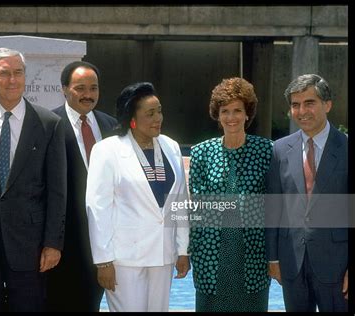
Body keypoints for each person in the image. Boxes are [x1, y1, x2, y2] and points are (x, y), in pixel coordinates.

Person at [0, 47, 67, 312]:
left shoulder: (49, 123)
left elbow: (58, 191)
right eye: (4, 73)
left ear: (25, 77)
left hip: (30, 246)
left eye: (18, 73)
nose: (12, 80)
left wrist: (53, 243)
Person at [86, 82, 190, 312]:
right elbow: (97, 208)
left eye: (160, 111)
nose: (158, 118)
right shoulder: (107, 150)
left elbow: (180, 202)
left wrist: (183, 249)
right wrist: (103, 261)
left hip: (163, 254)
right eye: (150, 113)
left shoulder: (171, 146)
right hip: (124, 258)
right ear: (131, 117)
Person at [188, 77, 273, 312]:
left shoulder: (266, 151)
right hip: (210, 254)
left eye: (238, 110)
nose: (231, 117)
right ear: (217, 114)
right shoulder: (202, 153)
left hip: (253, 256)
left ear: (248, 114)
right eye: (225, 111)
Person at [265, 74, 348, 312]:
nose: (302, 111)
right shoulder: (280, 149)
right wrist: (273, 258)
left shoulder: (346, 149)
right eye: (295, 105)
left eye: (309, 103)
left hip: (337, 265)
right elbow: (274, 206)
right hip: (292, 264)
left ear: (327, 104)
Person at [45, 61, 117, 312]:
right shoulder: (47, 124)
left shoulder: (111, 126)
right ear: (64, 89)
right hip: (63, 248)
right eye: (80, 88)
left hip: (103, 247)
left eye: (93, 88)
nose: (88, 95)